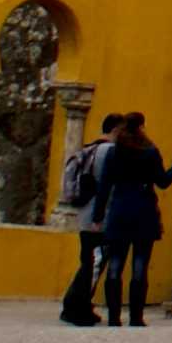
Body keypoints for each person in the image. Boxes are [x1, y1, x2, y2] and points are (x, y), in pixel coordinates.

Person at [94, 114, 172, 328]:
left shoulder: (116, 152)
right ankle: (136, 317)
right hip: (144, 210)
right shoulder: (150, 152)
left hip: (119, 210)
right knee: (139, 265)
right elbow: (162, 181)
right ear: (142, 126)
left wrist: (98, 216)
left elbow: (105, 186)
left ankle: (114, 317)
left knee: (115, 265)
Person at [59, 112, 127, 328]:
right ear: (116, 129)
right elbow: (110, 186)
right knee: (95, 264)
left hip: (85, 214)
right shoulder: (110, 152)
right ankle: (75, 307)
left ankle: (79, 304)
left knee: (88, 262)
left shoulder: (91, 149)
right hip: (101, 216)